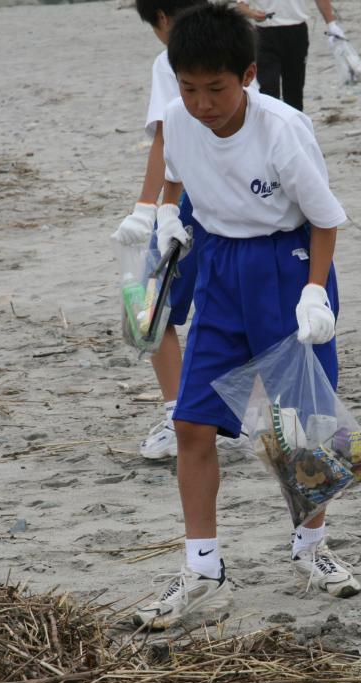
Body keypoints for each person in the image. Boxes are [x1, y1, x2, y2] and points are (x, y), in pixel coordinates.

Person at [133, 3, 359, 629]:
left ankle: (312, 548)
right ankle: (202, 567)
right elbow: (174, 177)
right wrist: (167, 217)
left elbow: (326, 218)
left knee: (302, 423)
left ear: (249, 75)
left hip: (286, 265)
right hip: (219, 265)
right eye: (189, 88)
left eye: (217, 88)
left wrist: (314, 292)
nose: (203, 103)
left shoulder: (282, 130)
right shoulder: (178, 121)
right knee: (191, 423)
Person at [113, 0, 242, 461]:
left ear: (163, 19)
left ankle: (177, 413)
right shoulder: (232, 47)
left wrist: (148, 208)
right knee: (225, 307)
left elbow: (167, 137)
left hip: (190, 200)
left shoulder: (172, 59)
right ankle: (228, 416)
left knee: (149, 307)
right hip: (240, 195)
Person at [236, 0, 344, 111]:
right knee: (268, 87)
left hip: (296, 31)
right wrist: (253, 14)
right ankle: (270, 125)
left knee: (294, 89)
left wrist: (331, 24)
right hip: (265, 33)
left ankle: (294, 125)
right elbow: (241, 5)